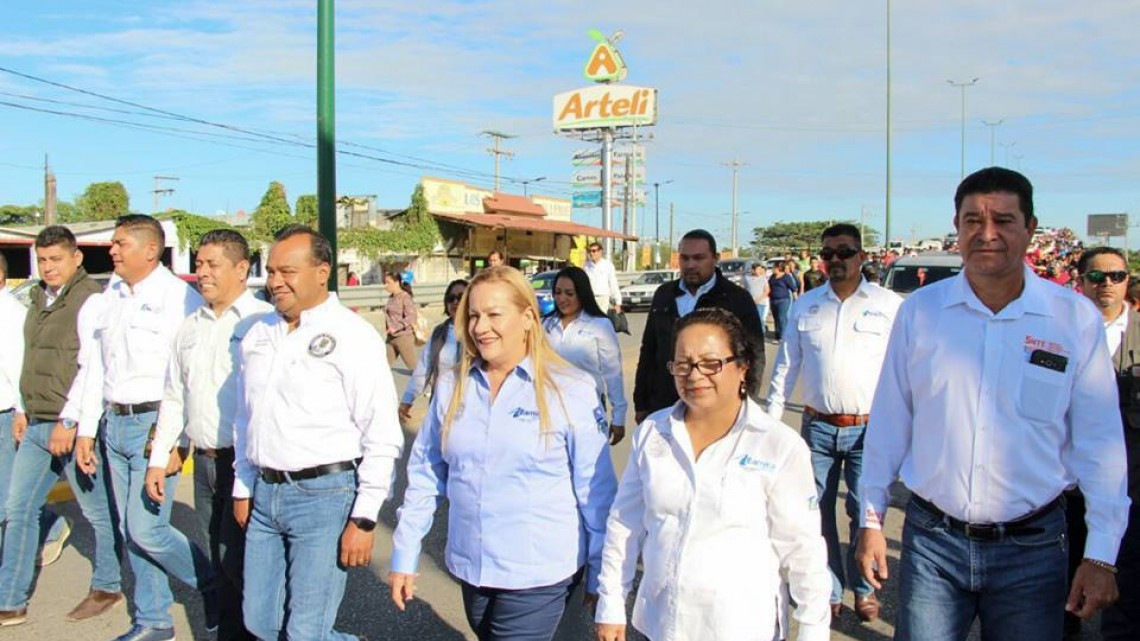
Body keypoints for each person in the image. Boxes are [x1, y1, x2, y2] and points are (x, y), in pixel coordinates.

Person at [856, 167, 1129, 640]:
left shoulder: (1072, 319)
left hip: (1035, 549)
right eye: (971, 221)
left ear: (1029, 227)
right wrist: (871, 520)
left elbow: (1099, 442)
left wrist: (1101, 553)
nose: (986, 235)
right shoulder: (921, 313)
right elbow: (888, 426)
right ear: (957, 227)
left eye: (1003, 220)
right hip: (932, 545)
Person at [389, 266, 617, 640]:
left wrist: (601, 574)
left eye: (494, 315)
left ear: (528, 318)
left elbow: (597, 493)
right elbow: (427, 472)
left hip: (538, 575)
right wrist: (405, 551)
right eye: (474, 315)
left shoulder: (570, 389)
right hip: (471, 568)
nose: (480, 328)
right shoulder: (451, 386)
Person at [595, 308, 830, 640]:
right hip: (661, 624)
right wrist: (611, 606)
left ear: (742, 367)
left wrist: (812, 631)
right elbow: (624, 524)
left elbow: (803, 550)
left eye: (710, 363)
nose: (694, 375)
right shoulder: (653, 433)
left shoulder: (778, 446)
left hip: (740, 627)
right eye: (683, 364)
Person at [232, 225, 405, 641]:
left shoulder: (351, 334)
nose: (275, 281)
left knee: (306, 631)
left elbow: (382, 432)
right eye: (271, 271)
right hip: (267, 495)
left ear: (322, 271)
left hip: (326, 496)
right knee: (260, 622)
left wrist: (364, 519)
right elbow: (245, 418)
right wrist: (243, 486)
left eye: (287, 271)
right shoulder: (257, 335)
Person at [68, 214, 214, 641]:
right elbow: (95, 367)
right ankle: (152, 621)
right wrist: (85, 429)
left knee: (146, 528)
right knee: (129, 531)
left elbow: (188, 376)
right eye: (112, 244)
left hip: (155, 425)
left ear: (151, 249)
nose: (112, 250)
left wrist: (176, 441)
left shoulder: (179, 299)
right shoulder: (110, 297)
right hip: (114, 420)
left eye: (120, 243)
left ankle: (213, 586)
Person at [766, 223, 903, 625]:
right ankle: (827, 588)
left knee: (865, 510)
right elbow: (786, 367)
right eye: (828, 254)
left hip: (870, 429)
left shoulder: (889, 305)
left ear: (862, 256)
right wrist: (772, 424)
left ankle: (864, 590)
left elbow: (907, 369)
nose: (836, 260)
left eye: (844, 252)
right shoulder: (806, 306)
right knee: (815, 511)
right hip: (819, 428)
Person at [142, 230, 271, 641]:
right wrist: (160, 457)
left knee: (245, 563)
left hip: (246, 465)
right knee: (219, 560)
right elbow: (174, 396)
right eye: (198, 264)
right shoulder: (190, 327)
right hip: (206, 463)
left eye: (212, 265)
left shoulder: (261, 324)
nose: (202, 273)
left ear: (241, 269)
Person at [0, 227, 123, 627]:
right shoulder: (36, 298)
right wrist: (21, 408)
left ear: (76, 258)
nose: (48, 267)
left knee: (98, 511)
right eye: (43, 260)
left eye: (56, 259)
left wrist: (71, 421)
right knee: (19, 510)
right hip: (35, 420)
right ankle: (10, 599)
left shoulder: (91, 300)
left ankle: (108, 583)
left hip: (71, 424)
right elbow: (28, 359)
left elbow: (90, 369)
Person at [1074, 247, 1140, 640]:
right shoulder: (1056, 332)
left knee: (1127, 595)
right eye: (1097, 277)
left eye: (1116, 276)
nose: (1107, 285)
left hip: (1130, 489)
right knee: (1059, 595)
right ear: (1080, 282)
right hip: (1066, 491)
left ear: (1127, 281)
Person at [633, 230, 764, 424]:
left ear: (715, 258)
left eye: (699, 258)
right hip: (665, 405)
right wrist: (642, 403)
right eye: (685, 258)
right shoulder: (664, 294)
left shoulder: (736, 299)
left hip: (716, 409)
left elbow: (754, 356)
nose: (691, 265)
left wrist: (746, 404)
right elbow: (649, 350)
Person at [542, 265, 627, 445]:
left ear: (582, 294)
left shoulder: (600, 325)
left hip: (588, 412)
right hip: (549, 412)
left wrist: (619, 416)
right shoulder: (545, 325)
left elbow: (613, 374)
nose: (561, 299)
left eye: (569, 293)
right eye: (557, 292)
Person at [398, 279, 468, 423]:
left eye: (461, 297)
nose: (455, 302)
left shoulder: (481, 332)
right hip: (441, 409)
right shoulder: (439, 333)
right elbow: (424, 368)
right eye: (451, 298)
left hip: (471, 411)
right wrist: (408, 399)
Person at [383, 271, 419, 369]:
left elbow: (411, 317)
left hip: (403, 338)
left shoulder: (405, 297)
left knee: (415, 370)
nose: (385, 285)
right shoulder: (391, 297)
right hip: (391, 338)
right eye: (384, 282)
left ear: (397, 283)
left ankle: (431, 383)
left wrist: (395, 327)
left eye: (388, 282)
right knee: (382, 367)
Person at [584, 241, 622, 314]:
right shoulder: (586, 266)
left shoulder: (607, 265)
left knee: (601, 320)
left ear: (600, 252)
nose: (591, 253)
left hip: (603, 298)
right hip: (590, 298)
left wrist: (618, 302)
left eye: (594, 251)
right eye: (590, 251)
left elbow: (613, 283)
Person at [768, 260, 798, 341]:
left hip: (783, 300)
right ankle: (777, 335)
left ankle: (783, 337)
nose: (772, 269)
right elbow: (769, 287)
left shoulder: (786, 277)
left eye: (774, 267)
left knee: (782, 318)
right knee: (776, 318)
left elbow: (793, 289)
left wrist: (796, 299)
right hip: (773, 300)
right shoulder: (772, 277)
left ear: (779, 268)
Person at [745, 262, 771, 332]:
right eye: (757, 269)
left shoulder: (763, 279)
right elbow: (745, 290)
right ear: (753, 270)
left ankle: (762, 334)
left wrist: (758, 299)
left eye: (760, 269)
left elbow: (767, 291)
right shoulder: (747, 279)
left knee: (760, 319)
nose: (759, 271)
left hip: (760, 302)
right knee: (751, 319)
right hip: (750, 303)